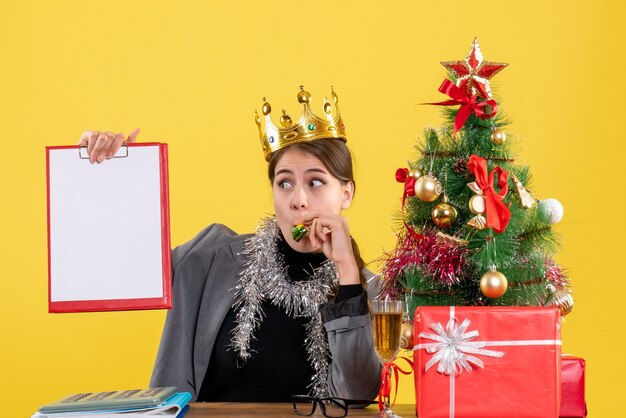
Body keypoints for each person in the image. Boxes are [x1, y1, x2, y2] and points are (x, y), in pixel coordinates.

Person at [77, 86, 382, 402]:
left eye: (315, 182)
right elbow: (115, 274)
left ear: (346, 193)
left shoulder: (368, 292)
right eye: (285, 183)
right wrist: (106, 176)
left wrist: (347, 273)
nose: (299, 201)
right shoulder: (212, 257)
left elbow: (357, 395)